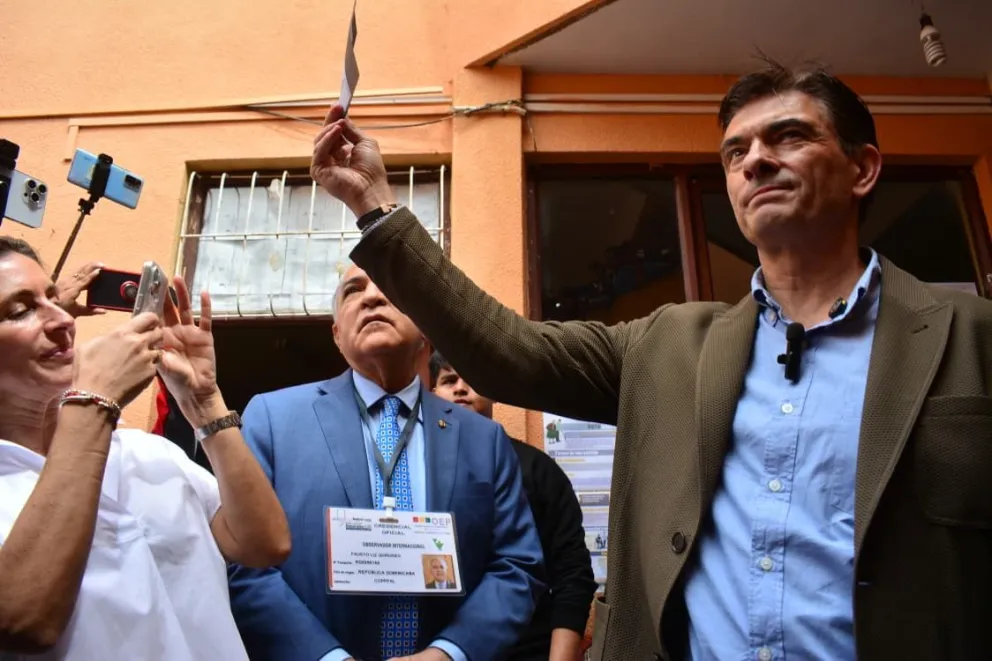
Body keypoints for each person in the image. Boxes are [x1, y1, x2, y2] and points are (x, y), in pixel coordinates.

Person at [309, 61, 992, 661]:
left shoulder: (969, 337)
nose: (754, 160)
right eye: (734, 152)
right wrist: (375, 203)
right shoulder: (666, 344)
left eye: (788, 136)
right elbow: (506, 352)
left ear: (862, 168)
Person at [227, 262, 544, 661]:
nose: (372, 297)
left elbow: (517, 564)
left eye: (389, 287)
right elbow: (245, 564)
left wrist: (448, 654)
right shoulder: (272, 420)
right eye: (353, 291)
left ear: (427, 329)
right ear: (337, 334)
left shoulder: (484, 438)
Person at [0, 237, 291, 660]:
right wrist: (94, 400)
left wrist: (204, 403)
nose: (62, 319)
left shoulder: (150, 453)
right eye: (20, 311)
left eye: (52, 297)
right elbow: (24, 622)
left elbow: (265, 545)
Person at [430, 352, 596, 661]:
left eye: (472, 379)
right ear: (432, 393)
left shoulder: (539, 470)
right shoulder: (416, 471)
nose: (461, 388)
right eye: (449, 380)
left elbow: (572, 574)